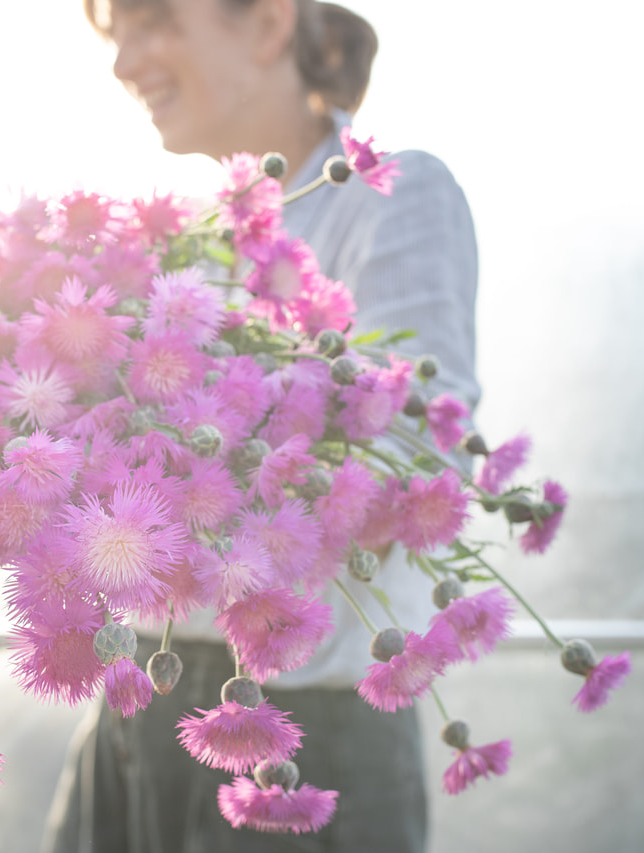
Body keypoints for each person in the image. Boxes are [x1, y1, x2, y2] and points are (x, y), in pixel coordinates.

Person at [42, 1, 480, 850]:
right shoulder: (197, 237)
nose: (124, 64)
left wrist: (157, 497)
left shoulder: (392, 191)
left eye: (154, 20)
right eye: (114, 35)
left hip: (301, 729)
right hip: (137, 696)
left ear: (271, 21)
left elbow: (413, 456)